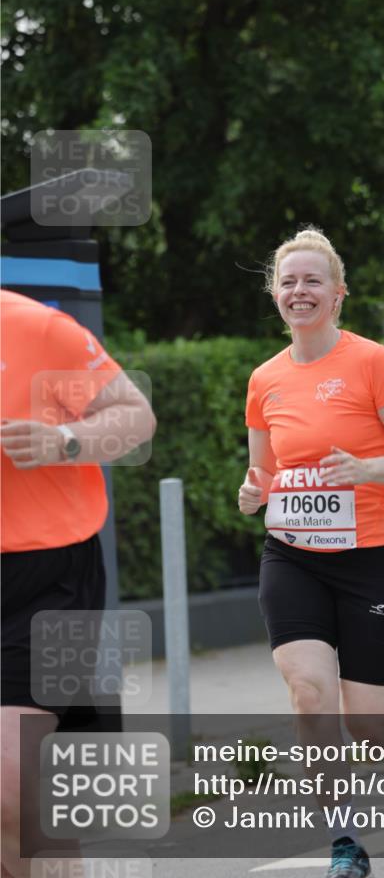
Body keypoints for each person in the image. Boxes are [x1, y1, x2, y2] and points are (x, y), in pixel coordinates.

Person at [238, 228, 384, 878]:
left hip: (374, 558)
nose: (299, 291)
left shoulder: (373, 362)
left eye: (312, 281)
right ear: (275, 293)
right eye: (288, 281)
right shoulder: (265, 378)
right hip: (292, 556)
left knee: (369, 723)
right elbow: (264, 473)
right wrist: (252, 492)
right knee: (308, 693)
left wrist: (367, 469)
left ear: (338, 293)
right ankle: (344, 843)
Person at [0, 289, 157, 878]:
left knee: (12, 780)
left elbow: (136, 419)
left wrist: (64, 442)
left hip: (48, 576)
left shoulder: (39, 328)